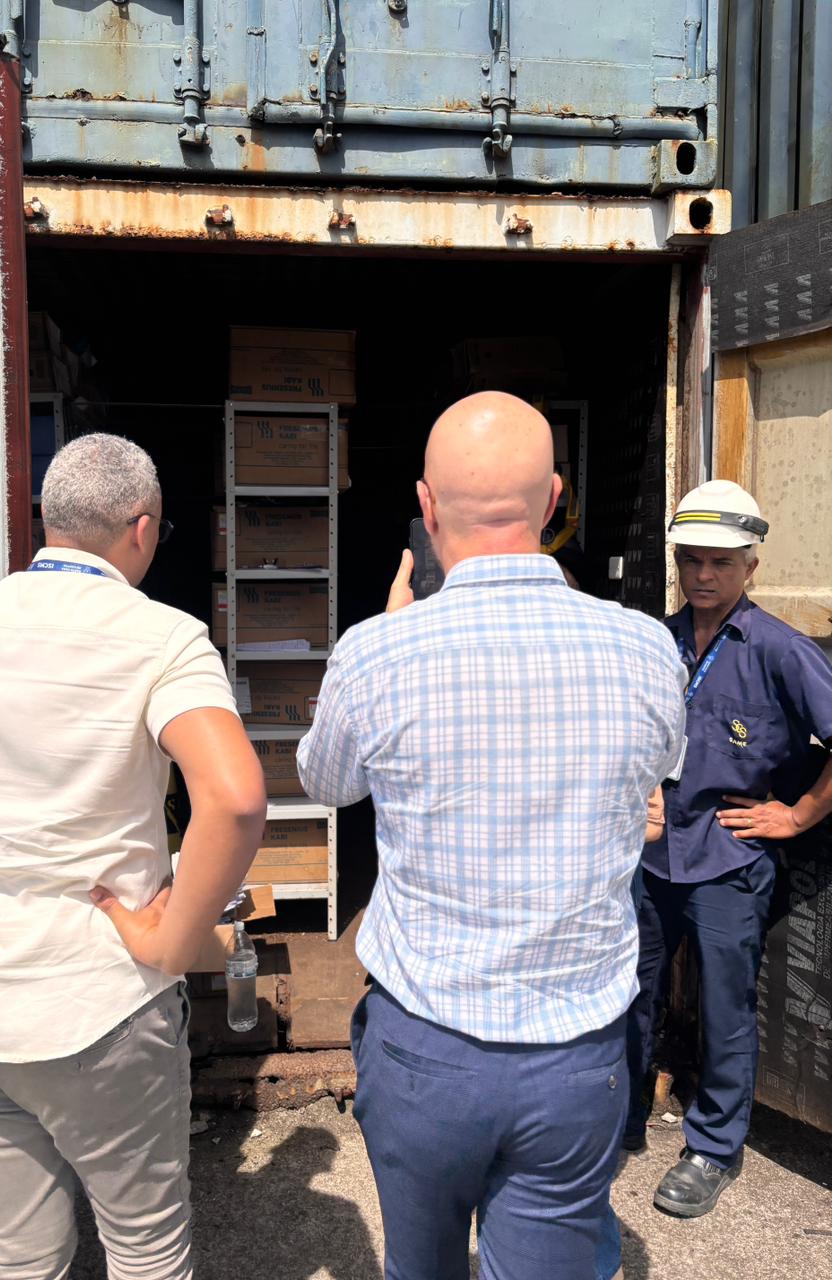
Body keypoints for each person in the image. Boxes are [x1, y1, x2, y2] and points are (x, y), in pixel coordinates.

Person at [297, 391, 686, 1280]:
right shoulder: (645, 648)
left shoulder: (376, 652)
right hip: (579, 1054)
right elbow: (659, 768)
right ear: (554, 501)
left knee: (419, 1265)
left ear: (426, 508)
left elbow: (326, 783)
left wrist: (389, 637)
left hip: (424, 1047)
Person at [0, 433, 266, 1280]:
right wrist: (170, 944)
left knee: (22, 1258)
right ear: (143, 528)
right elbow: (235, 799)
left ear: (46, 520)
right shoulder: (162, 638)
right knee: (146, 1249)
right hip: (95, 1008)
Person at [624, 479, 832, 1219]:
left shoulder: (780, 649)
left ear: (751, 566)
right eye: (691, 560)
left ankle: (713, 1147)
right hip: (652, 855)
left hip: (728, 860)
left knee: (726, 1004)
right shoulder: (658, 642)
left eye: (721, 562)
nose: (703, 575)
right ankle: (621, 1116)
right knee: (630, 990)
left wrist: (798, 815)